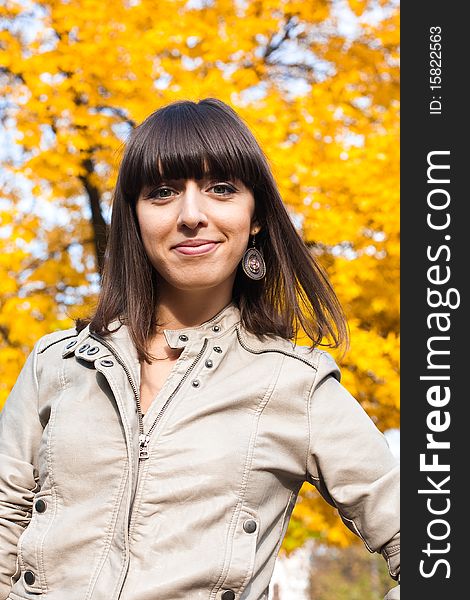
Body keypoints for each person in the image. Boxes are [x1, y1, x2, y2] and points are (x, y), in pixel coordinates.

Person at [0, 97, 400, 600]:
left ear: (255, 217)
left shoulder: (294, 384)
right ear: (136, 218)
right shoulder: (54, 365)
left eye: (221, 189)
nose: (191, 215)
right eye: (163, 192)